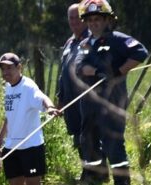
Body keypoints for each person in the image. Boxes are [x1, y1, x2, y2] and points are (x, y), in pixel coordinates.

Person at [74, 0, 147, 185]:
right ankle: (95, 180)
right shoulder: (86, 44)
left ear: (107, 19)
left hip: (112, 102)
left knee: (113, 144)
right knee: (87, 141)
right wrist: (95, 71)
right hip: (89, 103)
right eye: (89, 20)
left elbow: (141, 53)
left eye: (97, 19)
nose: (93, 23)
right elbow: (79, 66)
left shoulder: (118, 40)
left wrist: (118, 71)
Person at [0, 52, 61, 185]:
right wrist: (0, 137)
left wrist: (49, 108)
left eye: (9, 68)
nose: (6, 72)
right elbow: (9, 115)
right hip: (11, 146)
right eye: (3, 69)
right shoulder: (7, 87)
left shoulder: (28, 86)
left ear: (19, 67)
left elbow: (42, 98)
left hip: (31, 146)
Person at [57, 3, 90, 165]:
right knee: (77, 136)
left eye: (78, 17)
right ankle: (87, 169)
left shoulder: (92, 40)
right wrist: (60, 97)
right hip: (70, 100)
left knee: (89, 136)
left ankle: (96, 174)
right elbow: (63, 72)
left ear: (84, 18)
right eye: (71, 18)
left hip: (87, 98)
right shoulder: (70, 42)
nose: (74, 21)